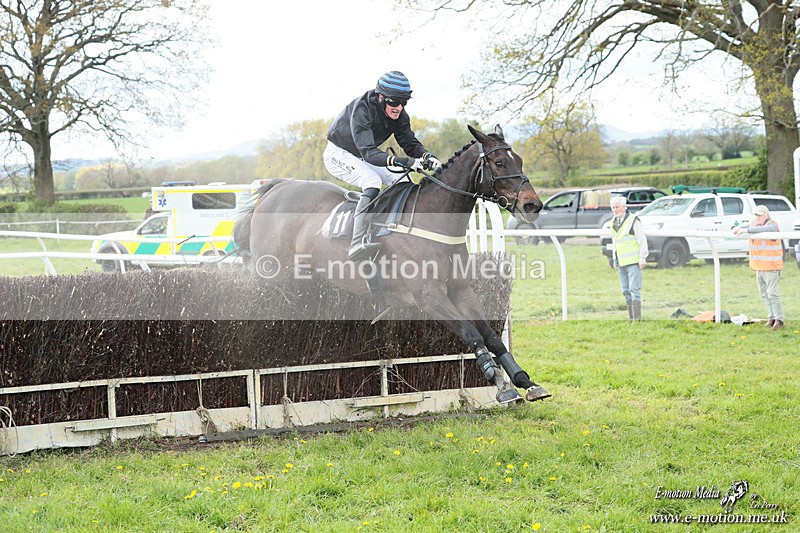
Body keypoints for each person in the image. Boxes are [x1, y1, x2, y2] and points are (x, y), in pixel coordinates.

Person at [324, 71, 442, 260]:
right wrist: (406, 162)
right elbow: (369, 152)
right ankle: (357, 242)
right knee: (372, 181)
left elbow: (410, 144)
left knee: (403, 179)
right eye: (394, 102)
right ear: (380, 97)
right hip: (339, 153)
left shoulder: (400, 115)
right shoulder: (362, 110)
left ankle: (398, 232)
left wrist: (428, 156)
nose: (399, 108)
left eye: (403, 102)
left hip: (363, 155)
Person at [733, 205, 784, 330]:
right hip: (759, 267)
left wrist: (746, 230)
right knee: (764, 294)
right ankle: (771, 317)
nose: (757, 217)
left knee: (773, 294)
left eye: (760, 215)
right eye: (756, 215)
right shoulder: (755, 224)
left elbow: (766, 229)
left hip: (771, 267)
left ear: (766, 215)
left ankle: (779, 320)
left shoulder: (773, 225)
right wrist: (738, 228)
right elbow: (749, 227)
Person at [609, 196, 648, 320]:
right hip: (621, 262)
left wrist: (642, 257)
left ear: (624, 207)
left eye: (617, 207)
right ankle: (631, 318)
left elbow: (642, 239)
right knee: (625, 290)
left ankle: (636, 318)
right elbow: (615, 242)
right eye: (613, 207)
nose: (615, 210)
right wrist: (614, 259)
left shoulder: (633, 220)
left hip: (633, 262)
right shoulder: (612, 222)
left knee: (633, 289)